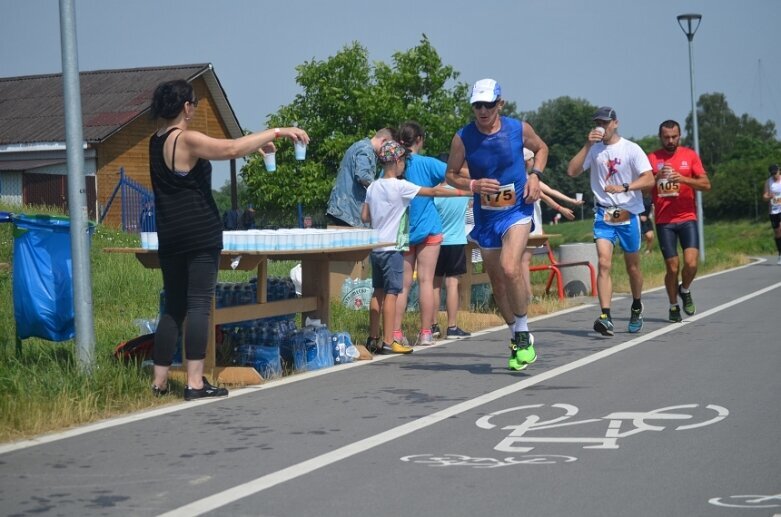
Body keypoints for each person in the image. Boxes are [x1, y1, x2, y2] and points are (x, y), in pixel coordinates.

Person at [148, 79, 309, 399]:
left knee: (174, 307)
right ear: (186, 107)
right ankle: (195, 383)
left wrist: (258, 145)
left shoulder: (156, 140)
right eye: (193, 104)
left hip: (170, 234)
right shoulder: (187, 139)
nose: (194, 109)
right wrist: (279, 131)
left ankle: (159, 382)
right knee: (198, 306)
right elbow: (231, 149)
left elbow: (232, 148)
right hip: (198, 233)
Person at [444, 78, 548, 371]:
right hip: (487, 215)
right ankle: (514, 334)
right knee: (497, 284)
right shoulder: (463, 138)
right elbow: (452, 174)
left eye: (488, 104)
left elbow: (542, 148)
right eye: (477, 105)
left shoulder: (518, 128)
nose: (483, 110)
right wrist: (474, 183)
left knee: (510, 267)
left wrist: (535, 176)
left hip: (517, 209)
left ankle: (525, 331)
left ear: (499, 104)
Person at [362, 141, 468, 354]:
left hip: (376, 248)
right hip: (393, 247)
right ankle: (390, 340)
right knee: (393, 293)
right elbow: (433, 192)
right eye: (402, 162)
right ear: (397, 161)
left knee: (378, 293)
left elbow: (364, 216)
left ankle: (373, 337)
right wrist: (464, 193)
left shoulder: (373, 186)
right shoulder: (401, 186)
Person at [567, 106, 654, 336]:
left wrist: (626, 187)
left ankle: (636, 305)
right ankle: (605, 316)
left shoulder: (631, 149)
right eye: (598, 123)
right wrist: (587, 145)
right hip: (603, 214)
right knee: (603, 263)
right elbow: (572, 171)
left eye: (605, 123)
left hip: (628, 214)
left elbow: (649, 180)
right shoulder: (594, 150)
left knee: (632, 267)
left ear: (615, 123)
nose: (601, 127)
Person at [647, 119, 711, 321]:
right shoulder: (652, 157)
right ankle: (673, 305)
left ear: (680, 136)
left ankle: (685, 289)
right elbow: (643, 187)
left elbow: (705, 184)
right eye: (666, 137)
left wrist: (682, 179)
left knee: (691, 264)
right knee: (672, 268)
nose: (670, 140)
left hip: (687, 217)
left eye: (674, 137)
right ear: (660, 137)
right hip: (664, 220)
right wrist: (657, 177)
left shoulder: (690, 155)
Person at [393, 121, 447, 347]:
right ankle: (426, 333)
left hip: (403, 231)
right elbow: (452, 174)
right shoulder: (429, 164)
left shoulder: (392, 164)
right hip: (429, 229)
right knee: (426, 282)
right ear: (419, 140)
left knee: (402, 286)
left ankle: (395, 332)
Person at [520, 147, 581, 302]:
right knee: (524, 261)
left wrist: (571, 201)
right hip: (529, 227)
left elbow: (550, 192)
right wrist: (563, 207)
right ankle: (527, 296)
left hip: (529, 227)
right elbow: (546, 196)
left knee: (523, 261)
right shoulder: (526, 180)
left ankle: (525, 295)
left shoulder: (528, 179)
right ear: (529, 161)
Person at [431, 153, 472, 338]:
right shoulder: (462, 193)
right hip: (456, 240)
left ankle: (432, 325)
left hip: (436, 242)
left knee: (433, 285)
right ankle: (452, 326)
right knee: (452, 285)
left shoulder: (435, 192)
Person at [326, 128, 396, 228]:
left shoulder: (360, 146)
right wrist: (382, 188)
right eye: (388, 148)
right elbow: (363, 176)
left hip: (342, 209)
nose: (387, 153)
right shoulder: (366, 149)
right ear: (384, 141)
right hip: (348, 212)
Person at [762, 163, 781, 265]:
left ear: (779, 171)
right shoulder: (768, 182)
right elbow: (764, 197)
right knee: (778, 233)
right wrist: (769, 197)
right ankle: (780, 254)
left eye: (776, 173)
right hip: (773, 210)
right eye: (773, 174)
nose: (775, 175)